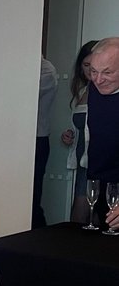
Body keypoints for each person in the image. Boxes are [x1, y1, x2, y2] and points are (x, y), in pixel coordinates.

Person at [60, 40, 97, 225]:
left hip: (100, 163)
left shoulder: (109, 92)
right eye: (86, 65)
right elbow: (81, 126)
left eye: (95, 65)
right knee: (80, 218)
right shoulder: (82, 90)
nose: (91, 71)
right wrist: (70, 135)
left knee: (89, 215)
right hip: (83, 163)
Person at [87, 37, 119, 228]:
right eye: (93, 71)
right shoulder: (95, 88)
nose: (98, 80)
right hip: (100, 183)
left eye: (107, 72)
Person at [32, 55, 58, 227]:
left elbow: (23, 94)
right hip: (17, 139)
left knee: (32, 199)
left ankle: (40, 237)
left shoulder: (46, 70)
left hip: (37, 139)